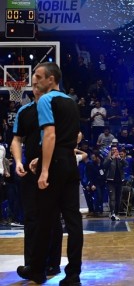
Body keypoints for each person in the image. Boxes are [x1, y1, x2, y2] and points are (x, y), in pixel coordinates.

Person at [16, 62, 83, 286]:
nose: (34, 80)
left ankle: (37, 270)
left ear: (51, 80)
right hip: (70, 163)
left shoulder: (45, 100)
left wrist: (44, 169)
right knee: (73, 221)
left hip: (54, 163)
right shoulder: (71, 102)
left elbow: (50, 136)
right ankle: (73, 274)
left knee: (44, 219)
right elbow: (72, 138)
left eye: (38, 76)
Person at [12, 83, 62, 278]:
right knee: (31, 218)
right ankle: (33, 265)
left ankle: (53, 263)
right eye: (35, 80)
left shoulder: (58, 108)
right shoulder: (24, 111)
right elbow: (17, 139)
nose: (37, 85)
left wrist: (44, 160)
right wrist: (17, 161)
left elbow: (74, 135)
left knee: (52, 218)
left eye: (41, 79)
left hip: (54, 170)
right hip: (30, 173)